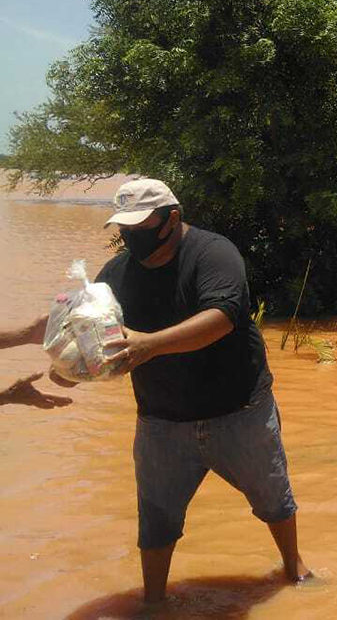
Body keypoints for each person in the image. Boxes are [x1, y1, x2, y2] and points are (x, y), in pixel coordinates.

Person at [65, 179, 310, 603]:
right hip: (160, 420)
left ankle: (294, 569)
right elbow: (87, 325)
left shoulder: (213, 253)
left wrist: (148, 345)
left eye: (140, 226)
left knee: (274, 498)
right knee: (155, 520)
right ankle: (154, 603)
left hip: (239, 409)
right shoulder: (117, 274)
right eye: (124, 228)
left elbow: (222, 317)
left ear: (171, 219)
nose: (131, 237)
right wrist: (66, 361)